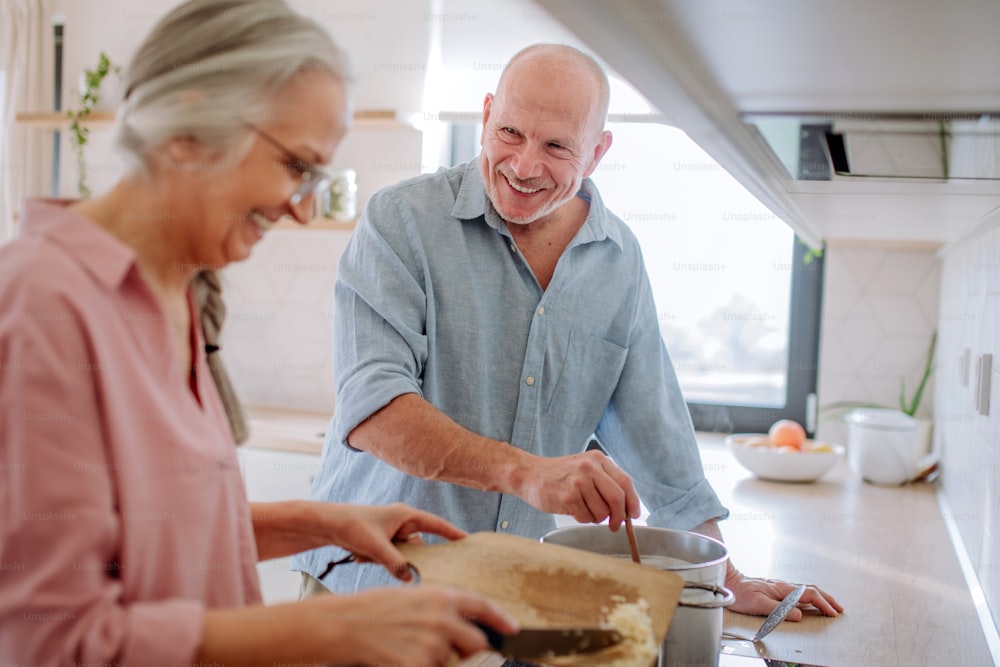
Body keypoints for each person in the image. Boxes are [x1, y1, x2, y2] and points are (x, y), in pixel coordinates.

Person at [0, 1, 518, 665]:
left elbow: (160, 533)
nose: (301, 209)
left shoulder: (175, 294)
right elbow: (50, 639)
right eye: (296, 166)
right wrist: (345, 627)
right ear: (190, 126)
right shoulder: (41, 304)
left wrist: (325, 524)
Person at [295, 43, 844, 624]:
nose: (524, 166)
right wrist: (529, 472)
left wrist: (725, 575)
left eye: (557, 146)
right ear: (485, 116)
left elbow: (654, 430)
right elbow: (373, 410)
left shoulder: (618, 260)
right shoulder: (400, 222)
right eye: (509, 131)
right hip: (367, 590)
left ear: (598, 151)